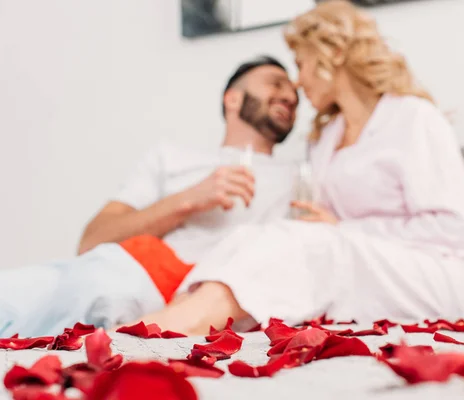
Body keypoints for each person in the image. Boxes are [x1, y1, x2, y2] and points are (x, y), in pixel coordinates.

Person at [128, 0, 464, 336]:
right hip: (360, 265)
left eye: (300, 65)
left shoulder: (413, 117)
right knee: (253, 236)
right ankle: (178, 314)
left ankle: (173, 327)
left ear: (333, 54)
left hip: (443, 273)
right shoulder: (324, 140)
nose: (298, 83)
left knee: (317, 244)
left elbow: (449, 228)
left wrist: (344, 229)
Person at [0, 56, 299, 338]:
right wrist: (189, 200)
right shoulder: (171, 156)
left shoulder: (298, 178)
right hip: (105, 268)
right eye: (275, 84)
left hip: (172, 297)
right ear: (232, 98)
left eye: (294, 94)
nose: (290, 96)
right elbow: (91, 240)